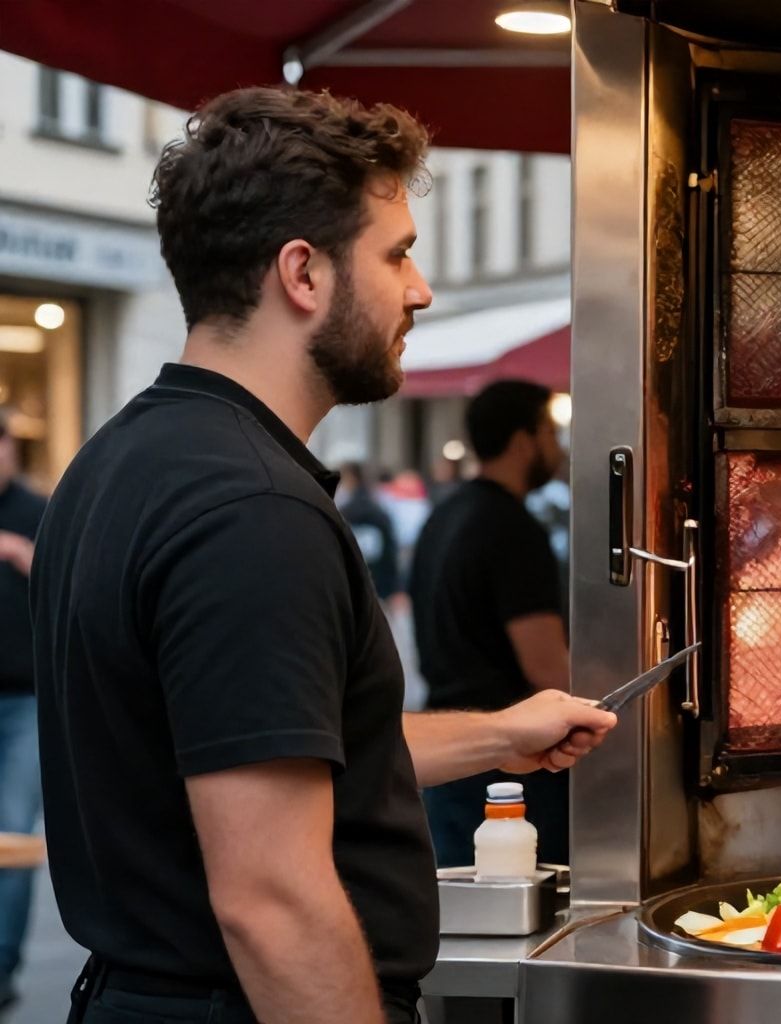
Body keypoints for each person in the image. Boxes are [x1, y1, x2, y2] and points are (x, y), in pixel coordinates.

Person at [30, 88, 616, 1024]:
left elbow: (267, 746)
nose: (419, 289)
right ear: (302, 273)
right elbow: (274, 903)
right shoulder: (251, 511)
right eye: (397, 254)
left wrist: (503, 734)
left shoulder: (119, 461)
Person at [409, 380, 573, 867]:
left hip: (448, 754)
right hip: (507, 765)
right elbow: (548, 668)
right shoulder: (512, 529)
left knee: (463, 918)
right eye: (549, 431)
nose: (556, 446)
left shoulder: (444, 514)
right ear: (523, 441)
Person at [0, 408, 46, 1013]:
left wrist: (22, 554)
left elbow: (72, 589)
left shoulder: (39, 512)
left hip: (26, 701)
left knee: (11, 832)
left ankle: (2, 964)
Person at [337, 461, 402, 602]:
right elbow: (390, 550)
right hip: (379, 584)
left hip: (352, 584)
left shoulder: (344, 512)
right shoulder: (379, 511)